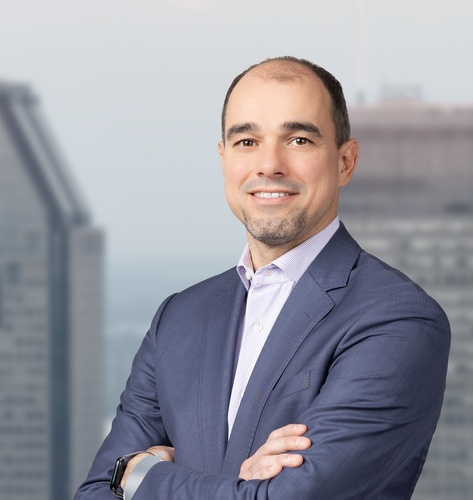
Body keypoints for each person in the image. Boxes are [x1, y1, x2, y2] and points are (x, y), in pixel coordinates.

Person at [75, 56, 450, 499]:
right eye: (247, 141)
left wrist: (138, 476)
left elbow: (287, 498)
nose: (269, 165)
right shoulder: (178, 317)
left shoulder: (398, 320)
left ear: (345, 161)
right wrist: (240, 484)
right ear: (224, 158)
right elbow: (95, 492)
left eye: (298, 139)